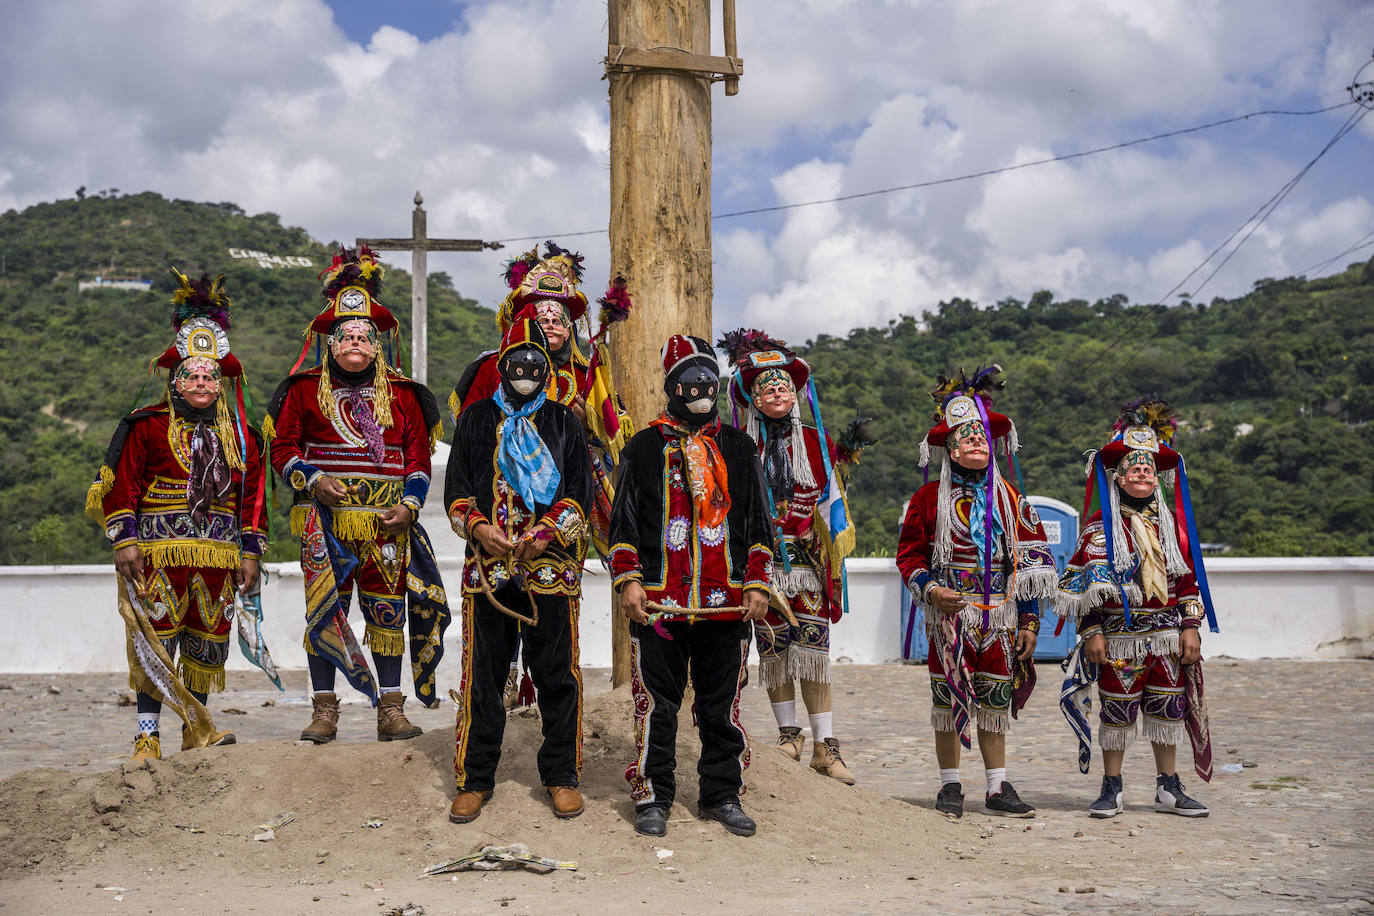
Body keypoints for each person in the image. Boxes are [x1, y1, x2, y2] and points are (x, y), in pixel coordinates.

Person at [265, 246, 449, 744]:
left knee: (388, 610)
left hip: (388, 519)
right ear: (329, 341)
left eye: (363, 335)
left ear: (377, 344)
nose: (354, 342)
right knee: (326, 608)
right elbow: (280, 448)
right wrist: (313, 478)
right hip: (325, 521)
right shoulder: (302, 391)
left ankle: (391, 709)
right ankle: (324, 710)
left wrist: (410, 506)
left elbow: (417, 457)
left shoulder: (406, 394)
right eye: (344, 334)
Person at [86, 269, 267, 759]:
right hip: (157, 555)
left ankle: (197, 728)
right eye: (193, 374)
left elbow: (253, 500)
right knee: (154, 642)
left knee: (205, 646)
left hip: (220, 558)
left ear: (221, 383)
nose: (203, 382)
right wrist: (124, 540)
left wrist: (251, 552)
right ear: (176, 379)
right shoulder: (146, 427)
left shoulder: (243, 436)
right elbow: (121, 484)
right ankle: (148, 735)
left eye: (211, 375)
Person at [451, 242, 633, 706]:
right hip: (501, 499)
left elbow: (607, 426)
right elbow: (474, 435)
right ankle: (506, 679)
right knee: (501, 598)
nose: (550, 324)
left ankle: (560, 679)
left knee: (594, 567)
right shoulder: (494, 368)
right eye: (540, 316)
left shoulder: (586, 369)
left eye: (558, 318)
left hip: (562, 500)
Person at [610, 335, 776, 838]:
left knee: (720, 705)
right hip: (660, 604)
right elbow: (624, 522)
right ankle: (653, 795)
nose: (702, 389)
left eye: (709, 380)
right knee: (656, 704)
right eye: (691, 382)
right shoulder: (643, 446)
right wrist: (629, 582)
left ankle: (721, 795)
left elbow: (756, 523)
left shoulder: (737, 446)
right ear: (671, 387)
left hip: (725, 605)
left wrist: (756, 583)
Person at [444, 308, 593, 824]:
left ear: (546, 367)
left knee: (556, 675)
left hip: (550, 568)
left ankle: (560, 776)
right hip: (488, 571)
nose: (526, 368)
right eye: (516, 361)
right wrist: (481, 528)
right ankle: (475, 778)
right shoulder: (476, 419)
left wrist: (546, 533)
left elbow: (579, 495)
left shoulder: (563, 421)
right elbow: (457, 493)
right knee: (483, 676)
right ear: (503, 364)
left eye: (535, 361)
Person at [895, 367, 1058, 818]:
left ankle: (996, 785)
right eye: (964, 436)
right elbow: (909, 556)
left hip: (1000, 615)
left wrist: (1029, 621)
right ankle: (950, 786)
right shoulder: (928, 499)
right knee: (947, 701)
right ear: (948, 448)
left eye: (981, 434)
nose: (975, 441)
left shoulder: (1012, 498)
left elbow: (1030, 565)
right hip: (951, 614)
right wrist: (930, 590)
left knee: (994, 702)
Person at [718, 329, 872, 784]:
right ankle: (790, 736)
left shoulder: (815, 441)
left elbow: (829, 502)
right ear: (753, 397)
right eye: (766, 386)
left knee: (814, 653)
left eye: (784, 384)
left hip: (805, 561)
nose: (776, 391)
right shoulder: (741, 444)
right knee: (773, 650)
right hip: (761, 562)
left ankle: (826, 745)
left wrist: (828, 556)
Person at [1057, 397, 1218, 818]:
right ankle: (1112, 786)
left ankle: (1168, 787)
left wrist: (1191, 626)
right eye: (1134, 467)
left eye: (1149, 467)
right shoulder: (1099, 527)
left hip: (1166, 635)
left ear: (1158, 479)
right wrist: (1091, 632)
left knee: (1168, 708)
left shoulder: (1173, 529)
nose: (1143, 472)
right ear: (1119, 477)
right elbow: (1083, 586)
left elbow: (1186, 580)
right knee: (1117, 713)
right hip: (1119, 639)